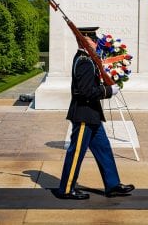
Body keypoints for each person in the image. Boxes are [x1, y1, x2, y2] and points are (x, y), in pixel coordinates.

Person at [51, 27, 135, 200]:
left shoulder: (89, 59)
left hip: (92, 114)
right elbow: (86, 91)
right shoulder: (84, 61)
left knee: (104, 149)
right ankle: (66, 189)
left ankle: (112, 185)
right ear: (84, 41)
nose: (96, 43)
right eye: (92, 40)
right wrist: (108, 91)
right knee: (76, 153)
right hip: (84, 115)